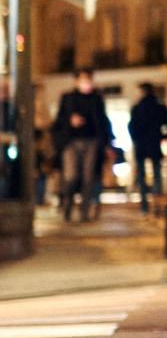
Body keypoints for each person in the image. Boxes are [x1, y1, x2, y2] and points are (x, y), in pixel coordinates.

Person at [54, 70, 112, 223]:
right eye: (83, 80)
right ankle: (67, 205)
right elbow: (59, 121)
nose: (87, 83)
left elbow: (103, 121)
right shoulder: (68, 98)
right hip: (71, 141)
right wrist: (70, 121)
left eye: (89, 80)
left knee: (88, 178)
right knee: (71, 176)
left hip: (92, 141)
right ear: (77, 81)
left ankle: (84, 212)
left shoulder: (96, 99)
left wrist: (106, 143)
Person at [127, 83, 167, 217]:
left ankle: (144, 207)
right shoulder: (160, 107)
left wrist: (136, 139)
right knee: (157, 176)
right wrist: (163, 136)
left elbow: (131, 126)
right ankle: (157, 205)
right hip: (154, 144)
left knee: (142, 177)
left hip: (141, 146)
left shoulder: (137, 108)